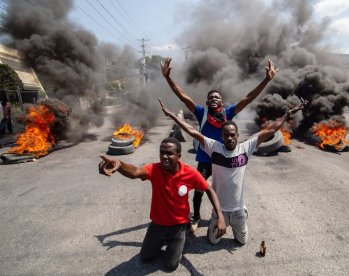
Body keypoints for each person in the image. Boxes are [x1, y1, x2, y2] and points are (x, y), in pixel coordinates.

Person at [158, 98, 305, 245]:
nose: (229, 138)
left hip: (238, 210)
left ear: (237, 136)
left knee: (242, 241)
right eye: (226, 135)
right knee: (213, 241)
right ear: (222, 137)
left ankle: (242, 218)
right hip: (220, 211)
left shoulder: (246, 148)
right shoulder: (213, 147)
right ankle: (217, 221)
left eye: (232, 135)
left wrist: (288, 113)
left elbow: (271, 129)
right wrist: (172, 115)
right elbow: (192, 131)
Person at [160, 57, 277, 232]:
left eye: (217, 97)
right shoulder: (202, 113)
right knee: (199, 190)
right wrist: (168, 78)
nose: (214, 99)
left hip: (225, 159)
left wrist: (266, 80)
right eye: (211, 97)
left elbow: (248, 98)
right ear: (207, 103)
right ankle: (196, 217)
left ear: (222, 102)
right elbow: (183, 97)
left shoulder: (228, 113)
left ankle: (234, 213)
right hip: (207, 159)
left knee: (228, 190)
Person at [98, 137, 226, 272]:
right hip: (158, 223)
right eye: (162, 152)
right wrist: (119, 165)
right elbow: (135, 172)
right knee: (145, 258)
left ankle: (182, 236)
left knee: (170, 266)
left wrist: (220, 217)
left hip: (178, 225)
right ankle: (165, 240)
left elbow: (209, 190)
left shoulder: (190, 173)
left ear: (179, 156)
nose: (164, 157)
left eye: (169, 153)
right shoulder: (154, 169)